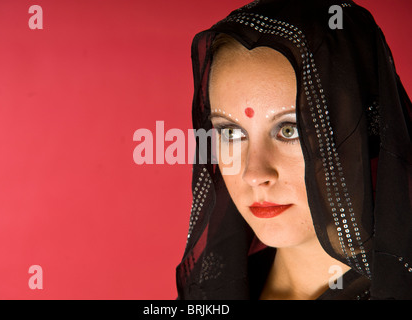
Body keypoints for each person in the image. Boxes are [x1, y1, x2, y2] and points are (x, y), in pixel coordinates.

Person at [176, 0, 412, 300]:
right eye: (231, 132)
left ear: (362, 131)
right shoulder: (211, 289)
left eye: (289, 130)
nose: (254, 174)